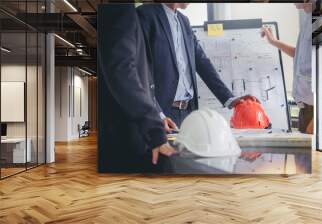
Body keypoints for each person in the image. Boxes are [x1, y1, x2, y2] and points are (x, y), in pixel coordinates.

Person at [137, 3, 258, 128]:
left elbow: (202, 62)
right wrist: (157, 113)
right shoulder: (145, 15)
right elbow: (139, 70)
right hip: (161, 114)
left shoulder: (184, 21)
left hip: (188, 112)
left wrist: (230, 99)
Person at [97, 4, 176, 173]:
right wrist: (154, 130)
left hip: (133, 137)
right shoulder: (120, 9)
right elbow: (122, 72)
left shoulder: (127, 12)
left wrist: (158, 116)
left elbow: (143, 78)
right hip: (126, 141)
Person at [260, 3, 313, 134]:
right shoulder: (307, 18)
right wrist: (273, 41)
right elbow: (299, 53)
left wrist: (318, 117)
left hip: (314, 113)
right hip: (305, 110)